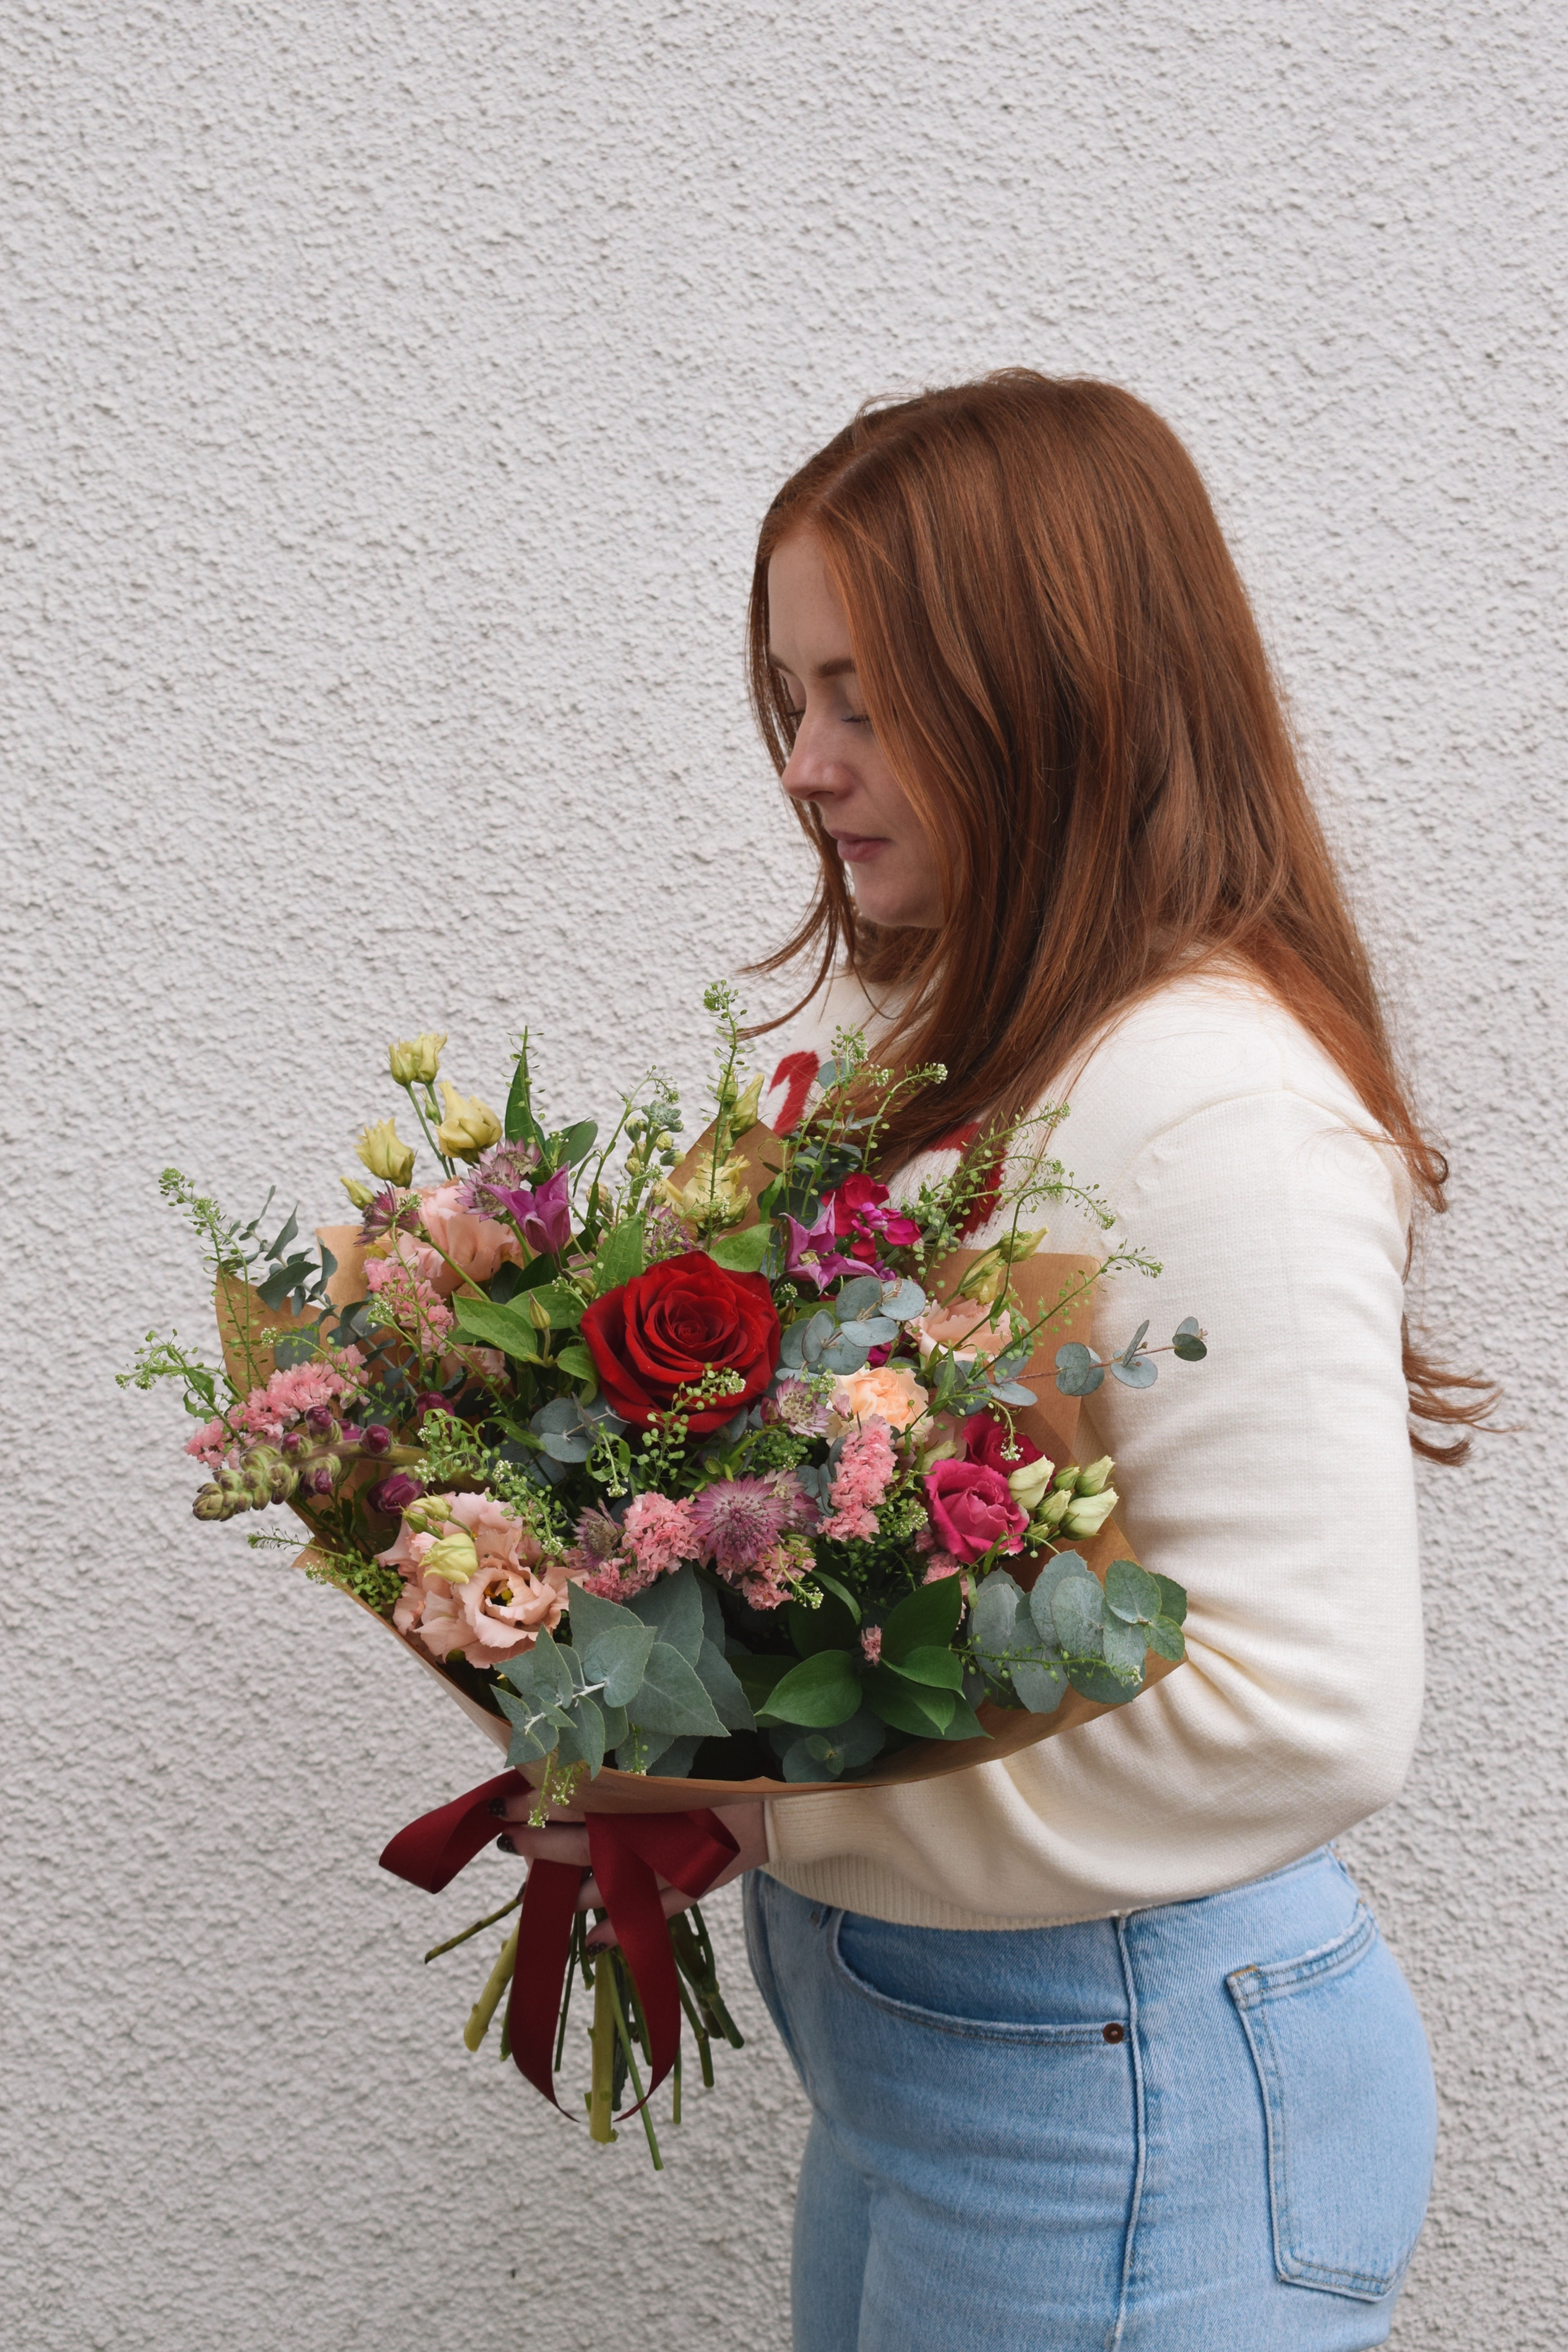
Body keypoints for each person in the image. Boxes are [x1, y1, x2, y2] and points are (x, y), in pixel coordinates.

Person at [497, 373, 1492, 2350]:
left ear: (1055, 692)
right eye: (789, 694)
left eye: (865, 696)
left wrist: (753, 1800)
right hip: (975, 2068)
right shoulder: (997, 1051)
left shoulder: (1211, 1102)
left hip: (1118, 2095)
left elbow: (1308, 1718)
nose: (804, 761)